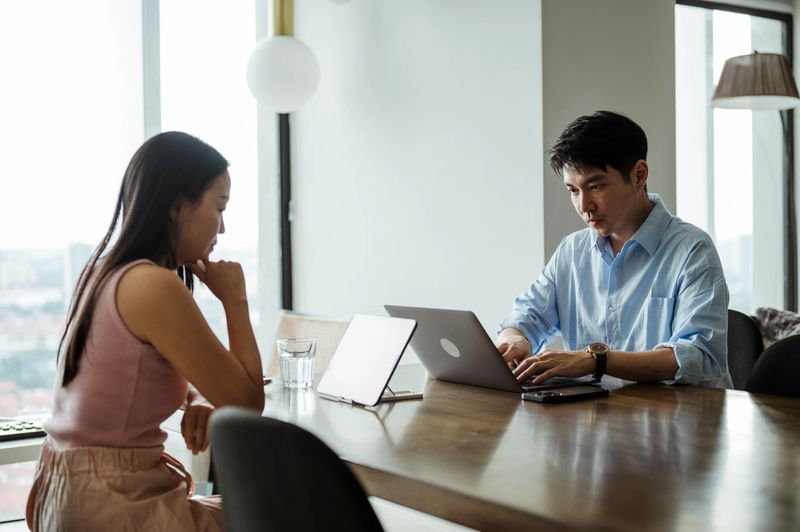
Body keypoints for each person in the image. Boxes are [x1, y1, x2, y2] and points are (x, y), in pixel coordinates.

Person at [26, 131, 265, 531]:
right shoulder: (152, 285)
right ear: (176, 206)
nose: (222, 228)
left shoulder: (103, 272)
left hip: (71, 493)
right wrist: (236, 302)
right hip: (114, 503)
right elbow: (247, 404)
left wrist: (199, 396)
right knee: (298, 510)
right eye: (219, 207)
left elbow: (127, 379)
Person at [497, 111, 732, 388]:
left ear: (639, 175)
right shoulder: (571, 252)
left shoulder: (693, 251)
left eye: (595, 186)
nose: (584, 206)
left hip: (682, 422)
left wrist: (594, 360)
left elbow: (698, 358)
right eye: (573, 190)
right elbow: (526, 317)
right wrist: (514, 339)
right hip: (599, 420)